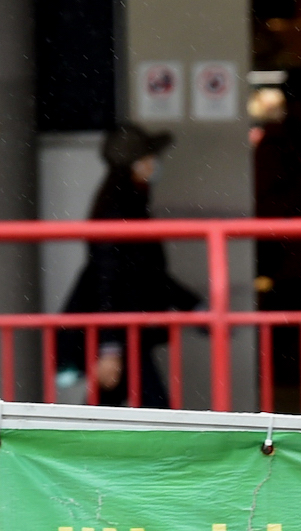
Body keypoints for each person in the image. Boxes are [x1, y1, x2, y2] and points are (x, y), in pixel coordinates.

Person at [58, 124, 200, 408]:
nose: (155, 164)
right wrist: (109, 347)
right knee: (155, 413)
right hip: (125, 331)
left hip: (128, 330)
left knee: (102, 414)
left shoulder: (128, 203)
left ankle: (72, 447)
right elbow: (108, 279)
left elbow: (146, 272)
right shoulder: (119, 209)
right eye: (150, 157)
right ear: (137, 163)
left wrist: (193, 305)